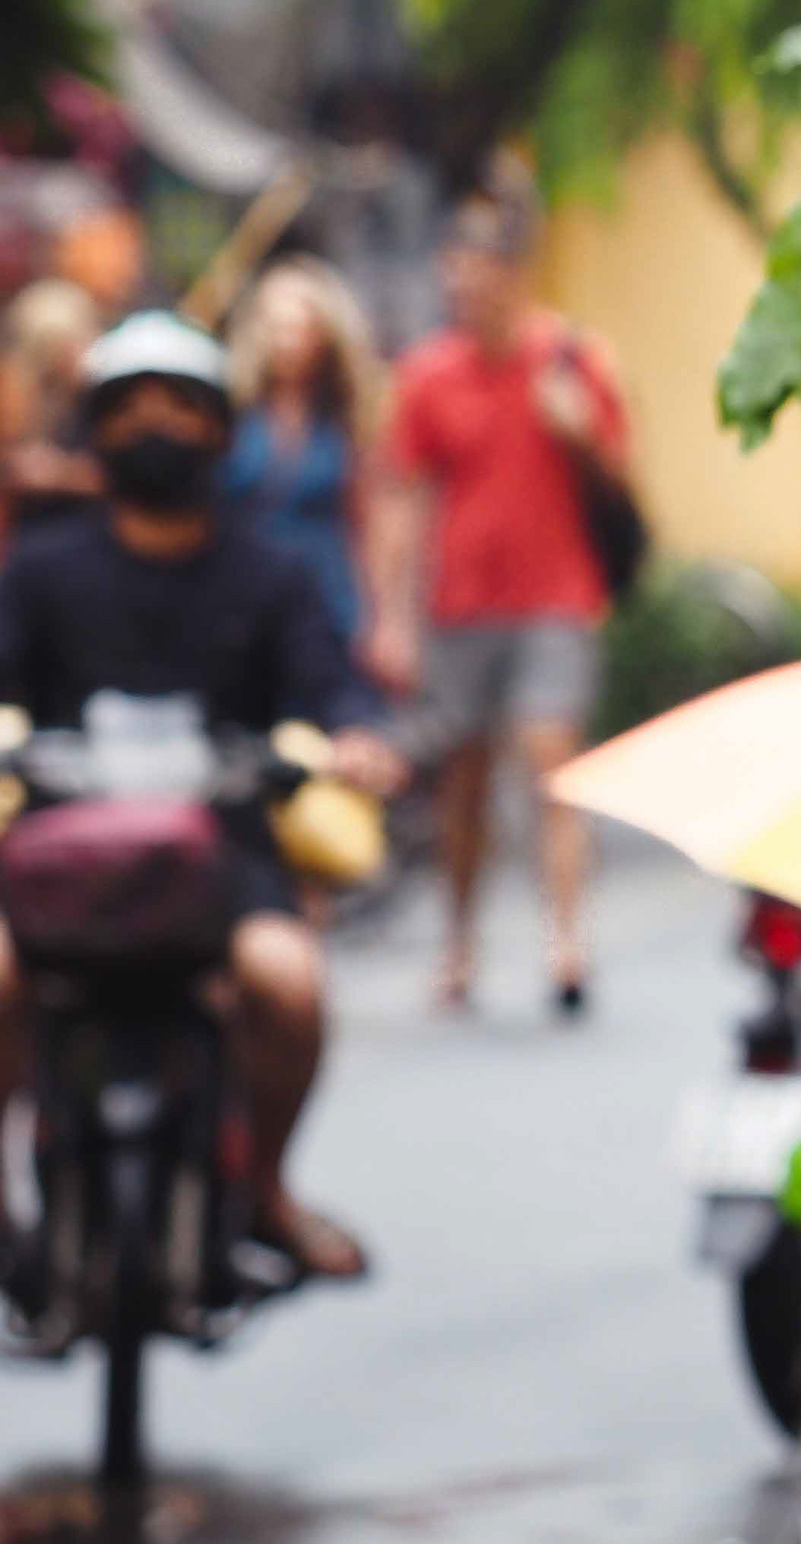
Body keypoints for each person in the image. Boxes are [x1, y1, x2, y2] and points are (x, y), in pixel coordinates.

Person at [0, 313, 407, 1280]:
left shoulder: (271, 573)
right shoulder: (42, 572)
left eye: (178, 407)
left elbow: (335, 685)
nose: (155, 426)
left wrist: (359, 741)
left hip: (225, 864)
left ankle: (264, 1186)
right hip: (57, 867)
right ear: (95, 431)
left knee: (292, 986)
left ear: (221, 431)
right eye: (130, 408)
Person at [364, 196, 630, 1017]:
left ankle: (566, 943)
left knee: (555, 768)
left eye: (478, 283)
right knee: (464, 784)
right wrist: (393, 616)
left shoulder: (573, 361)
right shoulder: (425, 375)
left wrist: (579, 432)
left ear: (514, 278)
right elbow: (400, 500)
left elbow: (627, 485)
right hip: (461, 605)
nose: (464, 299)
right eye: (455, 286)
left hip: (556, 597)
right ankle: (461, 943)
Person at [223, 258, 389, 655]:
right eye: (276, 326)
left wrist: (380, 615)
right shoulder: (234, 409)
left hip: (326, 590)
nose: (287, 341)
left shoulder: (347, 414)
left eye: (300, 327)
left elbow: (370, 519)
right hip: (243, 586)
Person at [0, 279, 102, 548]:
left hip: (84, 531)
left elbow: (123, 476)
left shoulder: (100, 397)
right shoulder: (18, 388)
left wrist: (61, 474)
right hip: (28, 533)